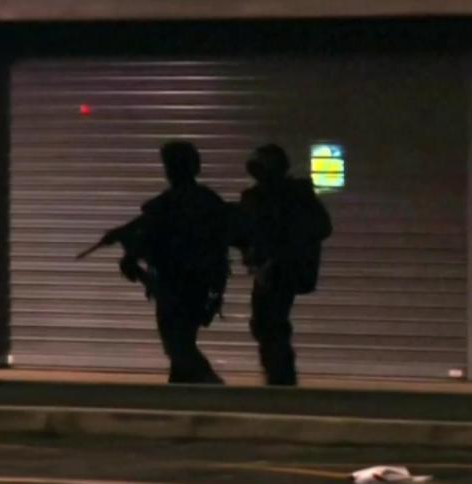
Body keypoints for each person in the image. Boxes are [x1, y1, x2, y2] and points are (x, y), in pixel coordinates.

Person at [81, 141, 230, 384]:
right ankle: (182, 390)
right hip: (193, 284)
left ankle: (212, 387)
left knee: (178, 344)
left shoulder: (174, 204)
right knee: (180, 341)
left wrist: (130, 250)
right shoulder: (204, 200)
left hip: (177, 285)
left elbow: (153, 231)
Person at [237, 143, 332, 386]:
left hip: (280, 271)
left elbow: (320, 227)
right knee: (268, 323)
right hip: (272, 269)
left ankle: (280, 377)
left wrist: (279, 251)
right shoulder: (267, 196)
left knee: (270, 323)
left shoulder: (291, 196)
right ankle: (279, 375)